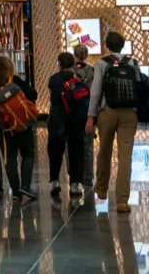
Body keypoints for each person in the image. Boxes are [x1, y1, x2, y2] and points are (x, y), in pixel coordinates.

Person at [87, 31, 139, 213]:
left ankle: (101, 190)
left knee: (104, 151)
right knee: (125, 157)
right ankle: (122, 201)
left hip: (107, 112)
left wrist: (90, 116)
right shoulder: (132, 63)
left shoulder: (101, 64)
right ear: (123, 46)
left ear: (107, 45)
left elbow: (95, 91)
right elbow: (139, 86)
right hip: (129, 113)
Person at [0, 55, 38, 201]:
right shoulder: (15, 81)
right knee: (28, 153)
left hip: (2, 125)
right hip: (21, 123)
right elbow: (33, 94)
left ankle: (15, 192)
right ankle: (26, 186)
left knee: (9, 157)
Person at [47, 52, 86, 197]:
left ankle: (55, 181)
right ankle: (75, 184)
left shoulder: (53, 79)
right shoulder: (77, 79)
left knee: (55, 149)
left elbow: (52, 97)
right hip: (75, 117)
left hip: (57, 117)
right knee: (76, 149)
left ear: (59, 64)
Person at [73, 43, 97, 187]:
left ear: (74, 55)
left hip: (73, 112)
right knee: (88, 145)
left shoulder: (70, 71)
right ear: (87, 55)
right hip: (88, 111)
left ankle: (74, 174)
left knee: (73, 145)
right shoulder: (92, 71)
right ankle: (88, 176)